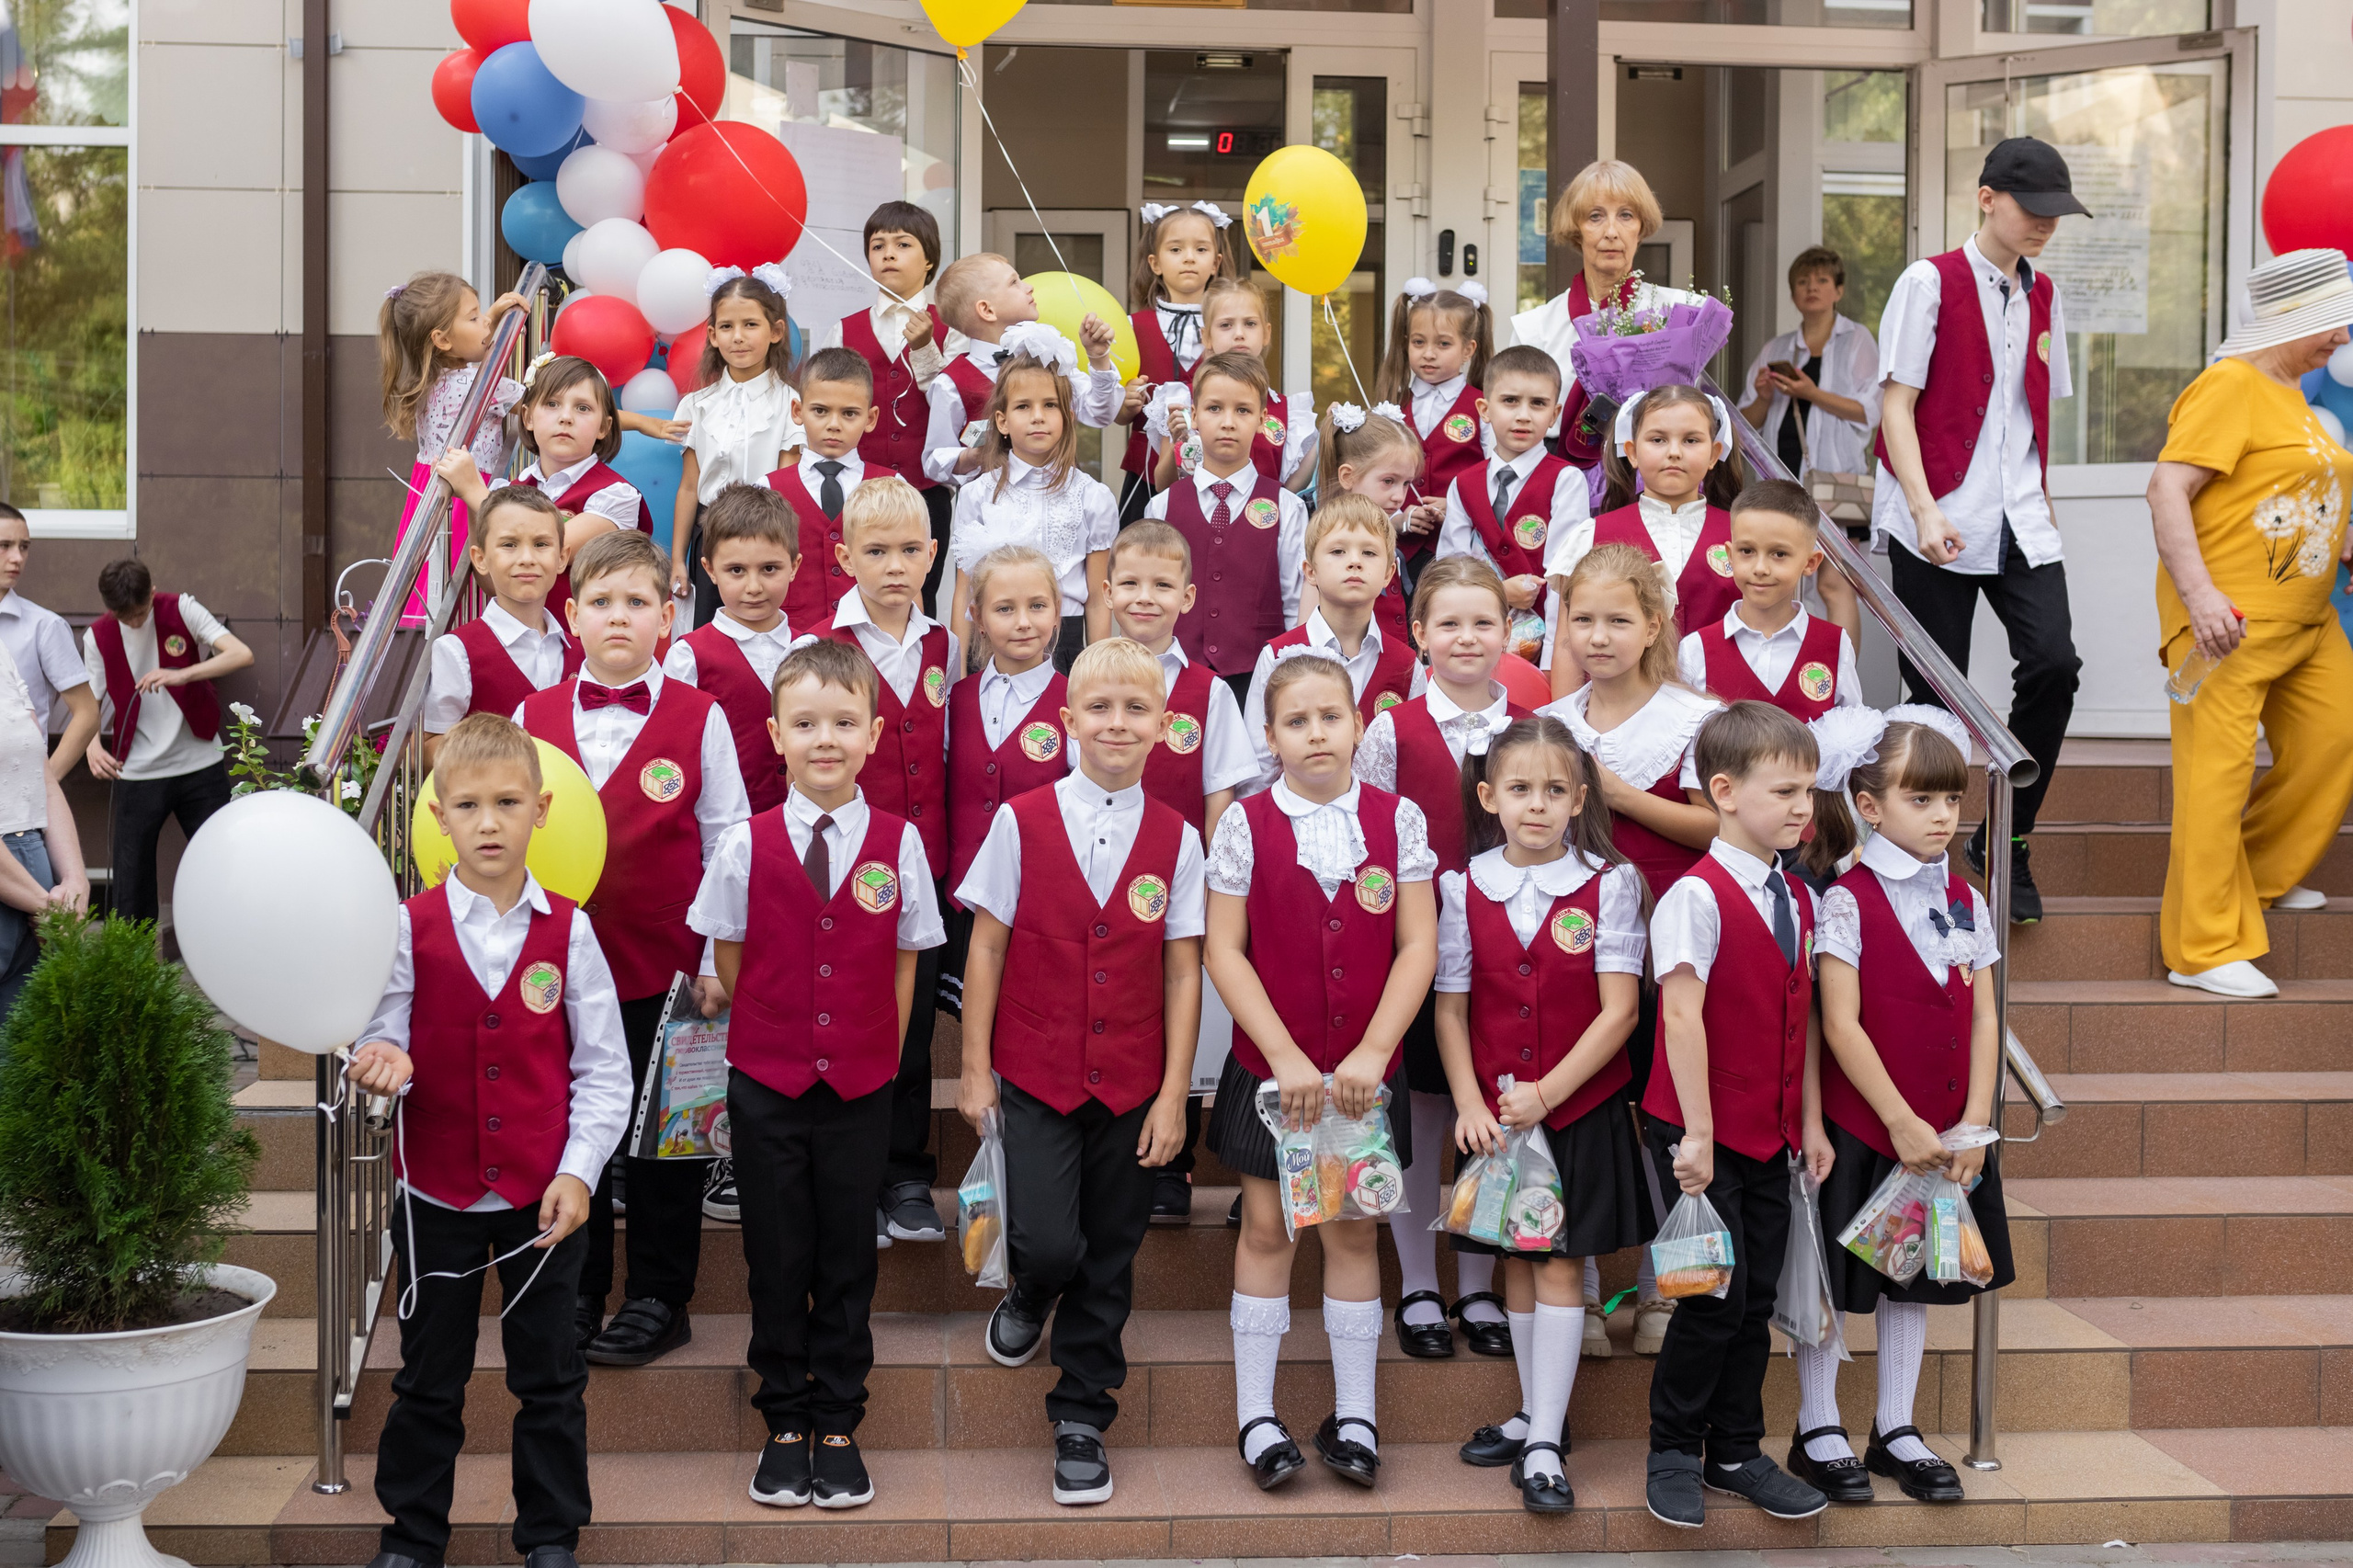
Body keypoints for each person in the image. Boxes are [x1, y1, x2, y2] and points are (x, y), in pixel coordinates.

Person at [344, 711, 631, 1568]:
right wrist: (381, 1054)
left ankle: (549, 1537)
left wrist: (580, 1173)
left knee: (549, 1377)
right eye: (468, 806)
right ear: (439, 817)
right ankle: (412, 1535)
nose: (489, 822)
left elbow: (603, 1071)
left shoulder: (570, 931)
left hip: (544, 1196)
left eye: (508, 803)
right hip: (436, 1192)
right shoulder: (408, 926)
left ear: (541, 811)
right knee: (429, 1377)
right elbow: (380, 1030)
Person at [688, 638, 944, 1512]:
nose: (824, 739)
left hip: (860, 1087)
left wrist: (875, 1052)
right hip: (766, 1082)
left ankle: (838, 1421)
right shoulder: (742, 845)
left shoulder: (899, 842)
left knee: (846, 1256)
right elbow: (729, 953)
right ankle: (783, 1419)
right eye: (805, 724)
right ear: (776, 734)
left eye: (843, 722)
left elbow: (908, 960)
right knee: (776, 1253)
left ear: (874, 734)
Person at [956, 636, 1206, 1506]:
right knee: (1054, 1242)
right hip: (1034, 1067)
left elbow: (1182, 968)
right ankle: (1030, 1287)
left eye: (1137, 710)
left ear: (1165, 728)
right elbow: (986, 946)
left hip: (1134, 1081)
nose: (1116, 723)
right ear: (1066, 723)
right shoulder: (1020, 820)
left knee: (1112, 1250)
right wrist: (976, 1068)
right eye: (1098, 708)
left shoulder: (1178, 838)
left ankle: (1081, 1416)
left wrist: (1174, 1095)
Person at [1203, 650, 1438, 1494]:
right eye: (1295, 722)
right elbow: (1225, 953)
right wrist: (1287, 1056)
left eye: (1329, 717)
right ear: (1269, 737)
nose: (1315, 734)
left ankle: (1357, 1414)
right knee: (1267, 1231)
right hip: (1274, 1075)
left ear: (1358, 725)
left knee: (1349, 1233)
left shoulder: (1395, 818)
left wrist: (1375, 1050)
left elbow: (1418, 944)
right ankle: (1257, 1416)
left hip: (1363, 1079)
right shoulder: (1245, 823)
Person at [517, 530, 748, 1368]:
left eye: (638, 603)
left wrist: (715, 960)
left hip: (668, 964)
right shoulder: (532, 718)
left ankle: (659, 1296)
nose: (620, 617)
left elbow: (727, 842)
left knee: (663, 1136)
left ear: (669, 615)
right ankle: (574, 1290)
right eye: (603, 602)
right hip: (558, 969)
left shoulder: (700, 717)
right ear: (572, 615)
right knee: (573, 1129)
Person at [1785, 708, 2013, 1508]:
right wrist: (1899, 1121)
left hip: (1951, 1130)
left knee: (1913, 1278)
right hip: (1865, 1127)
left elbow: (1985, 1014)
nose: (1945, 815)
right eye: (1922, 799)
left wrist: (1975, 1121)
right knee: (1837, 1280)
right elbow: (1838, 1021)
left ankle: (1896, 1426)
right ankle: (1817, 1428)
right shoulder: (1844, 899)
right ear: (1871, 806)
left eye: (1952, 798)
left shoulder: (1967, 896)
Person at [1873, 136, 2089, 925]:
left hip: (2020, 518)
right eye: (2033, 210)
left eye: (2055, 215)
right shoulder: (1928, 282)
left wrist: (2046, 505)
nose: (2044, 226)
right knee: (1933, 696)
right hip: (1937, 512)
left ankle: (2009, 837)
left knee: (2055, 665)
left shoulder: (2046, 295)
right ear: (1987, 197)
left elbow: (2033, 414)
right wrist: (1925, 509)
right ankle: (1911, 855)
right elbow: (1897, 403)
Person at [1436, 713, 1648, 1513]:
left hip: (1576, 1108)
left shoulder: (1610, 881)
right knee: (1519, 1262)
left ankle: (1549, 1442)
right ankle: (1531, 1412)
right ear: (1489, 796)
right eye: (1520, 789)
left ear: (1579, 798)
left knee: (1559, 1263)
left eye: (1555, 791)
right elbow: (1451, 1012)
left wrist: (1548, 1094)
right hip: (1495, 1116)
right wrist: (1467, 1102)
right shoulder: (1461, 886)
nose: (1537, 805)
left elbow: (1619, 1012)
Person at [1639, 699, 1831, 1530]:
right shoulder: (1697, 897)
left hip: (1773, 1133)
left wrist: (1811, 1124)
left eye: (1810, 792)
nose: (1802, 808)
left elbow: (1803, 1017)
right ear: (1723, 791)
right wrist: (1700, 1134)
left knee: (1756, 1305)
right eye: (1785, 790)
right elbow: (1682, 1018)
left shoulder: (1800, 895)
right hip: (1701, 1132)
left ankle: (1739, 1449)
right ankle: (1674, 1449)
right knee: (1712, 1298)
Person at [2146, 249, 2353, 1000]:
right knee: (2216, 780)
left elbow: (2294, 492)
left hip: (2308, 618)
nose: (2342, 339)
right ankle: (2200, 947)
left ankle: (2255, 880)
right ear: (2299, 318)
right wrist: (2199, 597)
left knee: (2335, 741)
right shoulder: (2231, 384)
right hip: (2226, 624)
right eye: (2333, 324)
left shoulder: (2292, 392)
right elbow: (2167, 487)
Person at [1540, 543, 1720, 1357]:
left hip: (1670, 948)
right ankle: (1573, 1289)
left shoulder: (1696, 718)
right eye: (1584, 620)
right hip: (1572, 950)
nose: (1600, 636)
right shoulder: (1553, 725)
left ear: (1654, 625)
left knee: (1669, 1117)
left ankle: (1664, 1294)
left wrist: (1620, 796)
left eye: (1619, 619)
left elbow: (1715, 825)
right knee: (1579, 1116)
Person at [1354, 556, 1528, 1361]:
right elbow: (1373, 837)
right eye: (1448, 624)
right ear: (1418, 635)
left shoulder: (1531, 732)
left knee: (1491, 1108)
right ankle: (1420, 1281)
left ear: (1509, 633)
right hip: (1421, 947)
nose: (1467, 638)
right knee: (1423, 1112)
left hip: (1510, 947)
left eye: (1483, 622)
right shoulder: (1393, 729)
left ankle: (1483, 1284)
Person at [1098, 523, 1260, 1222]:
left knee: (1180, 1012)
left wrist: (1209, 888)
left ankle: (1175, 1160)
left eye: (1162, 585)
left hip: (1177, 885)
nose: (1145, 597)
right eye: (1130, 583)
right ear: (1105, 592)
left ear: (1188, 597)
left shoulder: (1208, 692)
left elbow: (1221, 798)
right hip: (1095, 882)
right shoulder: (1083, 678)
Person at [824, 476, 961, 1245]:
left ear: (933, 554)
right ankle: (855, 1173)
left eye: (911, 550)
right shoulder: (823, 644)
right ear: (846, 557)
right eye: (876, 552)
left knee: (911, 1029)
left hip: (925, 869)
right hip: (848, 868)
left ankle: (907, 1175)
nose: (895, 566)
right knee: (853, 1016)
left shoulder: (946, 644)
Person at [808, 201, 963, 605]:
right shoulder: (845, 329)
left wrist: (926, 348)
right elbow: (822, 403)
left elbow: (955, 406)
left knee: (919, 596)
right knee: (851, 591)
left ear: (930, 259)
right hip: (857, 489)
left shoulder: (953, 330)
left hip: (927, 491)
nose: (889, 254)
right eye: (878, 246)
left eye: (903, 244)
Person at [1546, 385, 1745, 699]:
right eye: (1658, 439)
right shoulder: (1593, 535)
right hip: (1617, 714)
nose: (1674, 452)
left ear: (1714, 454)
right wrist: (1565, 728)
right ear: (1634, 452)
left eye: (1691, 440)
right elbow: (1567, 641)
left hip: (1723, 719)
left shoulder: (1742, 536)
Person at [83, 559, 253, 926]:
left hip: (200, 763)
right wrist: (92, 744)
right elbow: (89, 704)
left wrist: (183, 674)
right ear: (110, 610)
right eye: (125, 617)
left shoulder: (181, 608)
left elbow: (241, 653)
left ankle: (230, 940)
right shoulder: (96, 637)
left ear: (153, 593)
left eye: (141, 613)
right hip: (138, 771)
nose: (134, 623)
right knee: (131, 881)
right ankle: (135, 970)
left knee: (222, 861)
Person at [1508, 159, 1708, 468]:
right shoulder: (1534, 328)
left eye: (1626, 215)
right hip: (1555, 478)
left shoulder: (1680, 314)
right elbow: (1511, 428)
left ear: (1641, 227)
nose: (1612, 231)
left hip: (1652, 476)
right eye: (1595, 217)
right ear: (1577, 230)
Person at [1143, 353, 1309, 700]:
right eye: (1214, 408)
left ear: (1263, 419)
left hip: (1261, 680)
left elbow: (1295, 601)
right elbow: (1152, 598)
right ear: (1194, 416)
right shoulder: (1162, 507)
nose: (1228, 422)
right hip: (1176, 676)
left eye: (1243, 410)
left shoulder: (1287, 508)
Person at [948, 344, 1118, 672]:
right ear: (1002, 421)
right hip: (992, 648)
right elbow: (963, 593)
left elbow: (1098, 600)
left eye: (1050, 405)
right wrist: (957, 673)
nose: (1038, 416)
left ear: (1068, 417)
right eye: (1024, 406)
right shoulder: (977, 495)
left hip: (1065, 649)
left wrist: (1098, 674)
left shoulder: (1093, 497)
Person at [440, 356, 649, 615]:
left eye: (583, 408)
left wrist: (473, 492)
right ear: (527, 417)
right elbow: (492, 582)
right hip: (519, 645)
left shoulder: (617, 495)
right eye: (552, 404)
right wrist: (477, 502)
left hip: (583, 648)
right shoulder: (507, 490)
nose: (566, 417)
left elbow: (551, 550)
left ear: (604, 427)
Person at [378, 271, 529, 621]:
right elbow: (548, 407)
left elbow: (461, 345)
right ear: (442, 339)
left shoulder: (427, 378)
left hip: (428, 492)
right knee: (462, 589)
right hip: (464, 498)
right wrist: (643, 423)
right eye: (474, 318)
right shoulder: (480, 385)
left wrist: (488, 317)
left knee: (428, 586)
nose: (485, 324)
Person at [1244, 494, 1423, 788]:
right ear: (1310, 571)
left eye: (1369, 553)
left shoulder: (1406, 665)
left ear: (1389, 573)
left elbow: (1415, 763)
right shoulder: (1277, 656)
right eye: (1338, 551)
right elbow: (1259, 763)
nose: (1354, 562)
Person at [1436, 343, 1591, 671]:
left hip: (1539, 652)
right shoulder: (1463, 484)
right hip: (1470, 646)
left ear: (1555, 414)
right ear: (1484, 408)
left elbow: (1563, 582)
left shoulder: (1566, 480)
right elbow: (1449, 574)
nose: (1523, 415)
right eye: (1510, 401)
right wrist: (1500, 593)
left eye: (1538, 404)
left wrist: (1553, 666)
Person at [669, 264, 801, 627]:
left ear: (775, 332)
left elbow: (788, 484)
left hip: (767, 535)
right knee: (710, 632)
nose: (737, 337)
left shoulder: (790, 403)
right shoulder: (697, 405)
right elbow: (689, 487)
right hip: (711, 538)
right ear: (712, 335)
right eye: (727, 327)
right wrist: (679, 558)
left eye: (750, 325)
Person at [922, 256, 1123, 491]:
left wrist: (1098, 357)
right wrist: (973, 456)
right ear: (987, 310)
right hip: (994, 506)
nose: (1029, 286)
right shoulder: (950, 383)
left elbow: (1100, 413)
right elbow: (933, 460)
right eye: (1014, 282)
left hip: (1060, 496)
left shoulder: (1049, 356)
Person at [665, 483, 805, 816]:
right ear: (710, 570)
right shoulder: (688, 657)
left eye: (769, 569)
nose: (753, 587)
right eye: (736, 571)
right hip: (723, 827)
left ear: (794, 566)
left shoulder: (808, 648)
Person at [1676, 478, 1862, 722]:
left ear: (1810, 563)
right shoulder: (1695, 650)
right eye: (1747, 551)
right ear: (1730, 556)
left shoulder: (1836, 646)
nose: (1761, 568)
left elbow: (1850, 737)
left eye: (1779, 554)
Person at [946, 546, 1072, 906]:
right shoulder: (955, 699)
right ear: (978, 618)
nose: (1023, 622)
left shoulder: (1075, 702)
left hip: (1038, 900)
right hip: (961, 897)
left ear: (1056, 612)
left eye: (1037, 606)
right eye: (1004, 608)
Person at [421, 486, 579, 770]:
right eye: (509, 545)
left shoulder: (583, 651)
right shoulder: (458, 650)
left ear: (562, 558)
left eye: (541, 544)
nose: (527, 558)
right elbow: (433, 745)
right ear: (480, 559)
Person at [1120, 201, 1237, 520]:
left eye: (1200, 249)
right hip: (1146, 477)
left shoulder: (1231, 327)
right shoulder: (1132, 327)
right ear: (1155, 263)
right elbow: (1117, 415)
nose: (1188, 257)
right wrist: (1126, 402)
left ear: (1216, 263)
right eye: (1176, 249)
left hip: (1218, 475)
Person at [1148, 277, 1314, 494]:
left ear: (1267, 333)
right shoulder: (1181, 402)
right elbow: (1163, 486)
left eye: (1250, 323)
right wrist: (1175, 442)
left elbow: (1288, 496)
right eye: (1226, 325)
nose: (1239, 334)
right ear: (1206, 336)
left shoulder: (1290, 414)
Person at [1737, 246, 1883, 488]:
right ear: (1793, 295)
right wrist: (1763, 399)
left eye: (1822, 280)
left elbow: (1870, 412)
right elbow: (1742, 430)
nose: (1811, 287)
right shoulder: (1775, 348)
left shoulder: (1856, 337)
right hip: (1778, 480)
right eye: (1802, 281)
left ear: (1839, 291)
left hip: (1837, 483)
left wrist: (1811, 393)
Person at [1378, 279, 1495, 578]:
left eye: (1443, 344)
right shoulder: (1393, 404)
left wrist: (1456, 504)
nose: (1429, 353)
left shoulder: (1482, 406)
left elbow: (1494, 475)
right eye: (1419, 342)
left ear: (1468, 349)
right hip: (1397, 550)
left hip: (1461, 550)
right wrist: (1398, 519)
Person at [0, 633, 89, 1025]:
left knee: (28, 1066)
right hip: (19, 885)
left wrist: (75, 879)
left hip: (35, 870)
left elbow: (43, 778)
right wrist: (45, 904)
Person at [762, 347, 877, 638]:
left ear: (871, 418)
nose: (834, 425)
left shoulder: (893, 487)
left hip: (871, 644)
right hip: (791, 645)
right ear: (798, 412)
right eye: (820, 411)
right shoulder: (766, 489)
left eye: (849, 413)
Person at [1314, 400, 1421, 651]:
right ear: (1348, 476)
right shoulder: (1325, 539)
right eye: (1388, 481)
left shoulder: (1386, 533)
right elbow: (1308, 622)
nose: (1399, 496)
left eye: (1406, 483)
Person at [0, 506, 99, 776]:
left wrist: (46, 782)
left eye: (24, 547)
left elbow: (87, 713)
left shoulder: (44, 626)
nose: (17, 558)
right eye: (5, 545)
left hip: (20, 799)